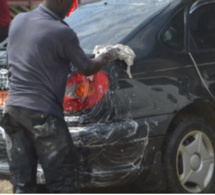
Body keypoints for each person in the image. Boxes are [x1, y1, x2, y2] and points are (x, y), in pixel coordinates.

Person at [0, 0, 118, 193]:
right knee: (62, 182)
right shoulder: (62, 32)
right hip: (43, 115)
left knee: (22, 184)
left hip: (13, 112)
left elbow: (11, 64)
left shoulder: (19, 21)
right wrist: (105, 56)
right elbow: (87, 68)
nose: (70, 10)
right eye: (71, 5)